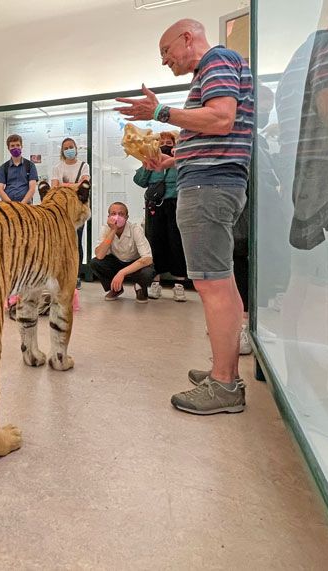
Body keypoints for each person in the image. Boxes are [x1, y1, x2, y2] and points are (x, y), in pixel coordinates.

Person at [116, 18, 254, 415]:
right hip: (210, 182)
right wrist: (173, 161)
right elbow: (215, 133)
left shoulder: (217, 60)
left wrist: (160, 111)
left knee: (211, 284)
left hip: (209, 188)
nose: (165, 62)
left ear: (187, 38)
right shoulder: (217, 66)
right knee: (219, 282)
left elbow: (221, 119)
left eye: (166, 51)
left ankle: (225, 384)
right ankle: (222, 372)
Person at [132, 130, 187, 302]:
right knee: (154, 242)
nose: (164, 144)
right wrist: (146, 162)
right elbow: (140, 181)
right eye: (161, 141)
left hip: (175, 203)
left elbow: (186, 177)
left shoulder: (178, 159)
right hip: (154, 206)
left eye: (169, 142)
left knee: (177, 243)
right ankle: (155, 282)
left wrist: (175, 159)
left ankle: (179, 285)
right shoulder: (152, 159)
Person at [90, 202, 155, 303]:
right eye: (113, 213)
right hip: (117, 261)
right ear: (109, 216)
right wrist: (112, 231)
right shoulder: (106, 229)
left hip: (135, 263)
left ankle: (140, 288)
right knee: (95, 263)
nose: (117, 217)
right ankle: (116, 289)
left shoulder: (135, 229)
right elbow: (99, 255)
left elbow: (147, 258)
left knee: (148, 272)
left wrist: (122, 273)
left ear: (127, 217)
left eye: (121, 214)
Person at [51, 138, 90, 288]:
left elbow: (85, 185)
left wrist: (63, 185)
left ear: (75, 148)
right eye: (66, 148)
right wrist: (74, 186)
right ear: (62, 150)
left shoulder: (84, 166)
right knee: (61, 244)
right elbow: (54, 187)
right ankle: (62, 275)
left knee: (76, 243)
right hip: (61, 211)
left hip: (77, 212)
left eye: (71, 147)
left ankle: (76, 275)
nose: (69, 150)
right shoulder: (57, 167)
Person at [0, 134, 38, 203]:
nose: (15, 148)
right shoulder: (3, 167)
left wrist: (22, 204)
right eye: (12, 146)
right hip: (8, 206)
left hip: (26, 205)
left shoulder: (30, 166)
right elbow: (0, 190)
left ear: (22, 146)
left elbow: (32, 189)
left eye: (18, 145)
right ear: (8, 148)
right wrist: (12, 205)